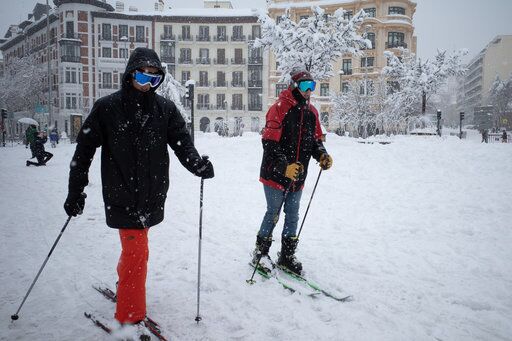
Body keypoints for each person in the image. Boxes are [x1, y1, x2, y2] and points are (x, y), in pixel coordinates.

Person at [63, 48, 214, 336]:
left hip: (153, 195)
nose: (148, 83)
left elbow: (181, 142)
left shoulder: (165, 110)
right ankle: (130, 316)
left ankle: (126, 286)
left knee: (135, 252)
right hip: (121, 195)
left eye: (155, 79)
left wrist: (197, 165)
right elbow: (83, 152)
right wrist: (75, 191)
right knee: (137, 252)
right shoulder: (107, 108)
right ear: (131, 73)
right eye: (144, 75)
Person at [251, 69, 333, 276]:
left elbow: (314, 141)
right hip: (275, 174)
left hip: (298, 175)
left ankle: (286, 255)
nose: (309, 91)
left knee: (293, 215)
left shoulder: (312, 112)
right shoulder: (279, 108)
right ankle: (260, 254)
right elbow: (269, 143)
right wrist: (284, 166)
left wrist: (322, 155)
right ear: (294, 86)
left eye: (312, 86)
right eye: (305, 86)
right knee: (273, 213)